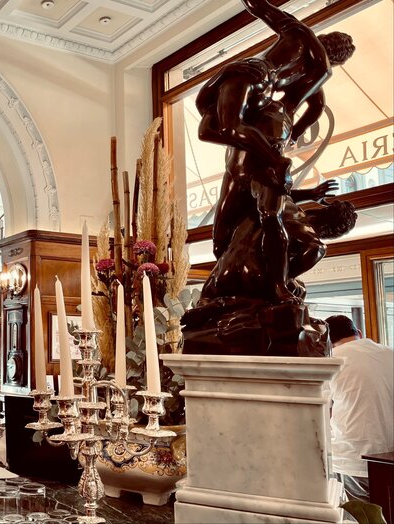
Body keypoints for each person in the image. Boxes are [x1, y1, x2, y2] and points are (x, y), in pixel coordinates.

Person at [196, 0, 354, 303]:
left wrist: (281, 147)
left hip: (258, 98)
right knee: (262, 220)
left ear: (325, 40)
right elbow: (314, 107)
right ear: (336, 59)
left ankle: (275, 285)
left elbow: (259, 6)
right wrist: (291, 133)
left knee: (235, 230)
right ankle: (277, 283)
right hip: (270, 128)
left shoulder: (299, 35)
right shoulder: (320, 72)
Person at [325, 315, 394, 503]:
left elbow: (321, 412)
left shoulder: (331, 361)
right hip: (389, 458)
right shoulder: (390, 353)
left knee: (362, 515)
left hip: (353, 458)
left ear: (327, 341)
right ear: (359, 333)